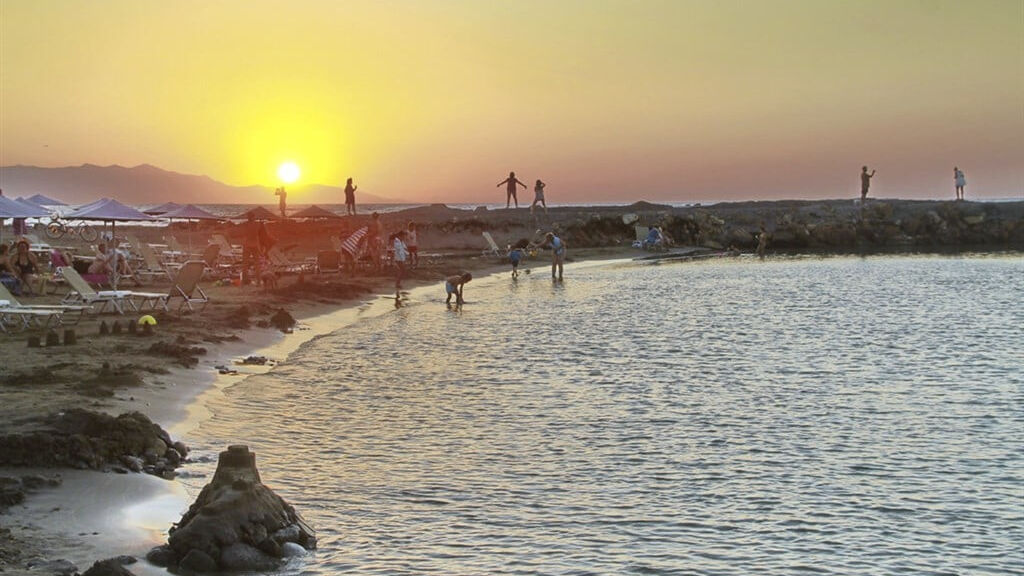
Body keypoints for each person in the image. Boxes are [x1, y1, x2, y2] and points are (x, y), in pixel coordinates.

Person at [392, 230, 409, 298]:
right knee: (402, 270)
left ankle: (398, 283)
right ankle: (397, 283)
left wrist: (407, 253)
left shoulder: (400, 241)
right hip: (398, 258)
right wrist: (402, 259)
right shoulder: (397, 241)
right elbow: (399, 250)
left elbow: (403, 249)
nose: (404, 237)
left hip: (400, 258)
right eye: (403, 236)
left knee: (401, 270)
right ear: (400, 236)